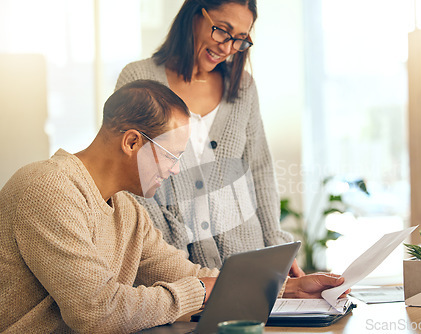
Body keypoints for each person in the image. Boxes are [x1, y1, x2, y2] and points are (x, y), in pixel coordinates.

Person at [0, 79, 347, 333]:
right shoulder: (47, 188)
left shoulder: (128, 210)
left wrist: (286, 288)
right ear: (132, 141)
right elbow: (96, 311)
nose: (176, 169)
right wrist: (197, 291)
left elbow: (188, 275)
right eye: (171, 155)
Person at [116, 0, 305, 276]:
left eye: (240, 39)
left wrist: (276, 247)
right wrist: (168, 249)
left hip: (248, 261)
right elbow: (130, 177)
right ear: (194, 15)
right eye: (222, 31)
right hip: (174, 267)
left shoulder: (243, 87)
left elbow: (260, 170)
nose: (227, 48)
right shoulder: (138, 79)